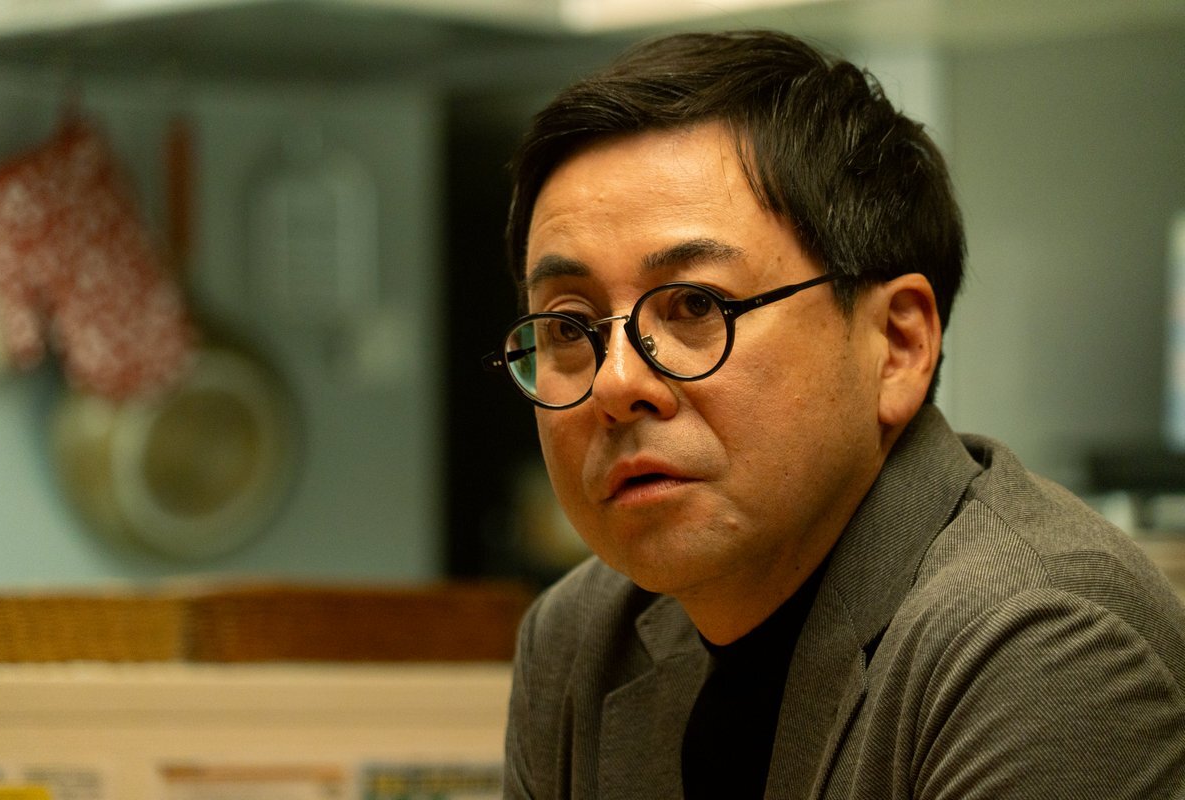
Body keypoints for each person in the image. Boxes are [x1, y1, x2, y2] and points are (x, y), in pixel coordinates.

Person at [483, 29, 1185, 799]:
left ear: (897, 345)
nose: (617, 382)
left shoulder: (1043, 643)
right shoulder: (580, 637)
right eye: (568, 326)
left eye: (696, 305)